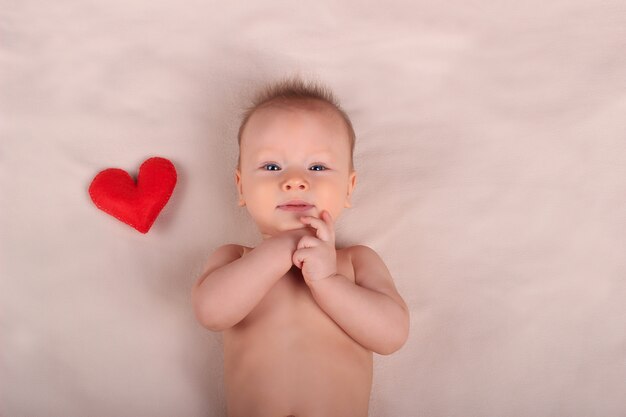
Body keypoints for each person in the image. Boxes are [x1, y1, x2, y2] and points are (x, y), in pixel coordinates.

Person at [192, 76, 410, 417]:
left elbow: (392, 335)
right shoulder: (235, 258)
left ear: (349, 188)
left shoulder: (355, 262)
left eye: (318, 166)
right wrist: (279, 249)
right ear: (241, 187)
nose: (294, 180)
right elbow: (211, 312)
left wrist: (328, 282)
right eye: (271, 166)